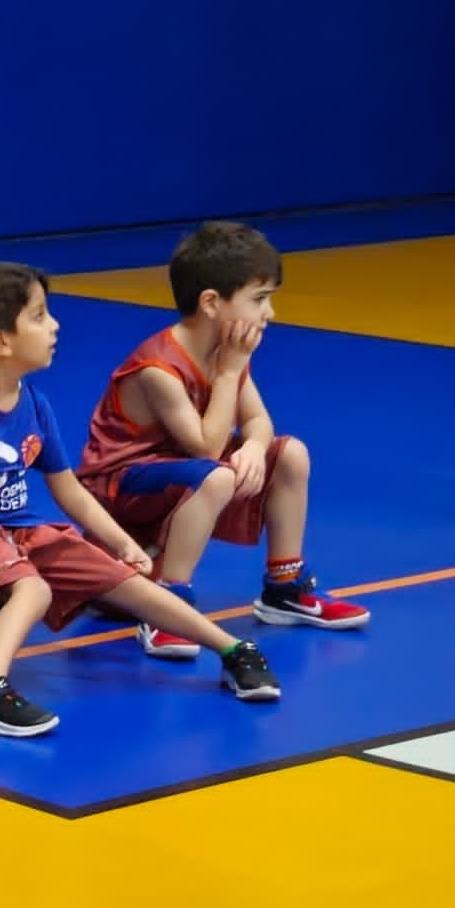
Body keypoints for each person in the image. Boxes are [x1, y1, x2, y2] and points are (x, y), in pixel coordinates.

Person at [0, 263, 284, 728]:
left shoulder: (34, 403)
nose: (55, 325)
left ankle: (231, 648)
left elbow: (66, 488)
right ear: (1, 342)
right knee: (34, 589)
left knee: (124, 578)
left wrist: (119, 542)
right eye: (40, 315)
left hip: (20, 529)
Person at [76, 221, 372, 655]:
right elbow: (207, 449)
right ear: (212, 303)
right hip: (121, 495)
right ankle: (168, 606)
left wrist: (254, 447)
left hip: (181, 479)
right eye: (259, 300)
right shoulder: (159, 370)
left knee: (290, 454)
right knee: (213, 475)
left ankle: (284, 588)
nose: (269, 313)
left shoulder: (224, 352)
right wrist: (230, 373)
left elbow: (258, 422)